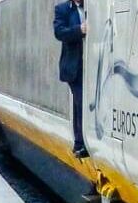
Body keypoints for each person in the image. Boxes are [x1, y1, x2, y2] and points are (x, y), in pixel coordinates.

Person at [53, 0, 89, 158]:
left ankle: (81, 142)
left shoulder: (90, 6)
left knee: (79, 104)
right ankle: (81, 143)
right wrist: (80, 30)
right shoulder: (62, 9)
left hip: (91, 65)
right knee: (80, 101)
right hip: (74, 66)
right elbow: (59, 32)